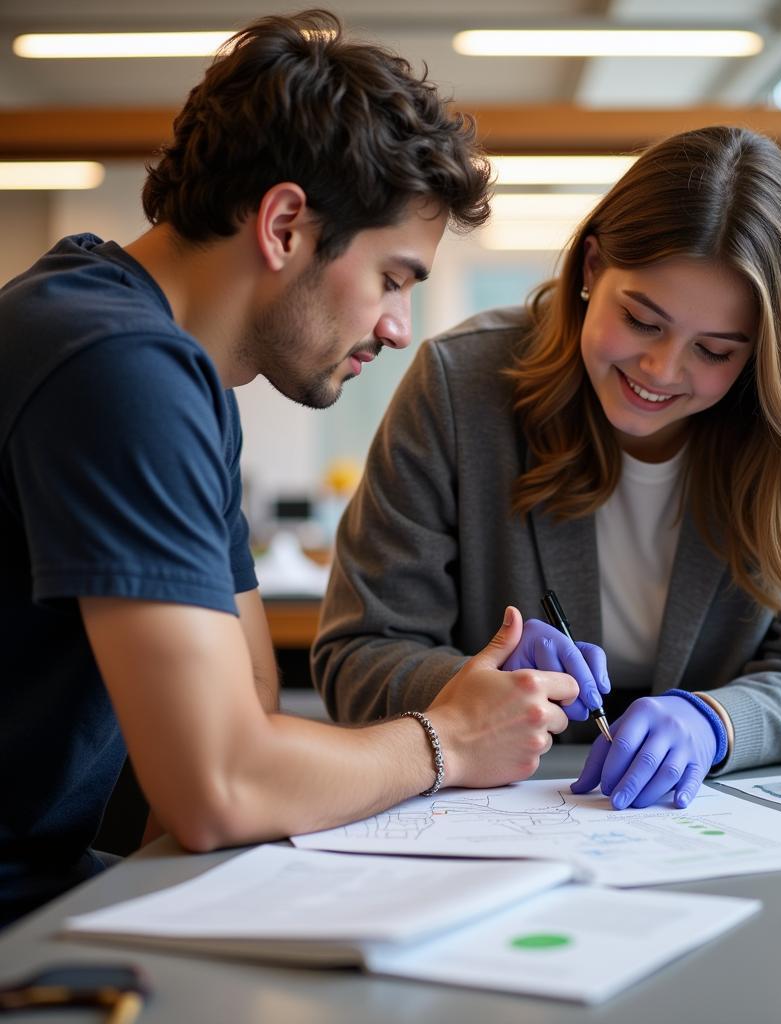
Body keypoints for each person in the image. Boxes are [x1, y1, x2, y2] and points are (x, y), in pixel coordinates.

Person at [0, 10, 581, 928]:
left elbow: (251, 716)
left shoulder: (168, 368)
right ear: (283, 225)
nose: (398, 328)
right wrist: (450, 740)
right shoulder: (115, 364)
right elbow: (221, 784)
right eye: (391, 278)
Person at [313, 125, 781, 812]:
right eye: (642, 321)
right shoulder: (460, 386)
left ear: (760, 348)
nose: (661, 371)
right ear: (590, 271)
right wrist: (476, 679)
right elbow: (359, 652)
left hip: (713, 821)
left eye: (716, 351)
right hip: (492, 816)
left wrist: (716, 723)